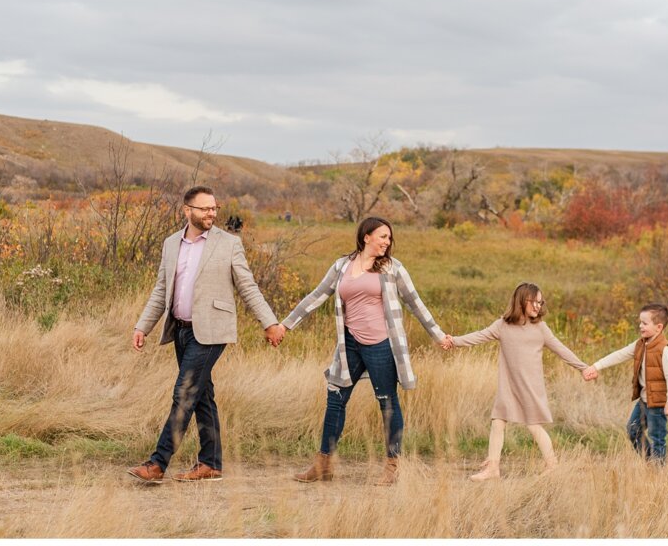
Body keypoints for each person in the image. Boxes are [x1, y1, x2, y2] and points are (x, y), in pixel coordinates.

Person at [271, 216, 450, 486]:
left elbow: (415, 303)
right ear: (366, 236)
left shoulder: (392, 268)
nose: (386, 242)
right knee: (335, 399)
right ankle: (323, 464)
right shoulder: (342, 266)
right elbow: (317, 295)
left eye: (389, 238)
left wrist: (437, 334)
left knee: (387, 402)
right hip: (349, 345)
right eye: (382, 236)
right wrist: (286, 325)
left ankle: (393, 465)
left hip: (381, 345)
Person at [127, 185, 285, 484]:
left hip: (212, 331)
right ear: (187, 211)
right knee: (202, 397)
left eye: (215, 208)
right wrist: (142, 326)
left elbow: (247, 286)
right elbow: (162, 290)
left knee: (184, 391)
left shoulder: (228, 244)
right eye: (205, 208)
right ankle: (210, 463)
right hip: (182, 331)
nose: (212, 213)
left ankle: (158, 463)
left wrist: (270, 322)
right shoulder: (171, 243)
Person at [445, 282, 587, 481]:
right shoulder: (502, 325)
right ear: (521, 301)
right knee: (498, 421)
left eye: (541, 302)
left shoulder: (541, 329)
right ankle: (493, 467)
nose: (538, 306)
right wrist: (454, 341)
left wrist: (583, 368)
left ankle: (552, 463)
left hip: (530, 386)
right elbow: (479, 336)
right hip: (509, 385)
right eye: (534, 302)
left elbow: (561, 349)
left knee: (534, 425)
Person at [582, 304, 668, 465]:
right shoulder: (640, 344)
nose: (640, 326)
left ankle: (658, 472)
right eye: (640, 322)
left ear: (658, 327)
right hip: (643, 401)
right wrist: (596, 366)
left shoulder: (664, 350)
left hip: (658, 403)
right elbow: (619, 355)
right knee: (633, 430)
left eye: (645, 323)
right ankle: (649, 461)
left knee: (657, 438)